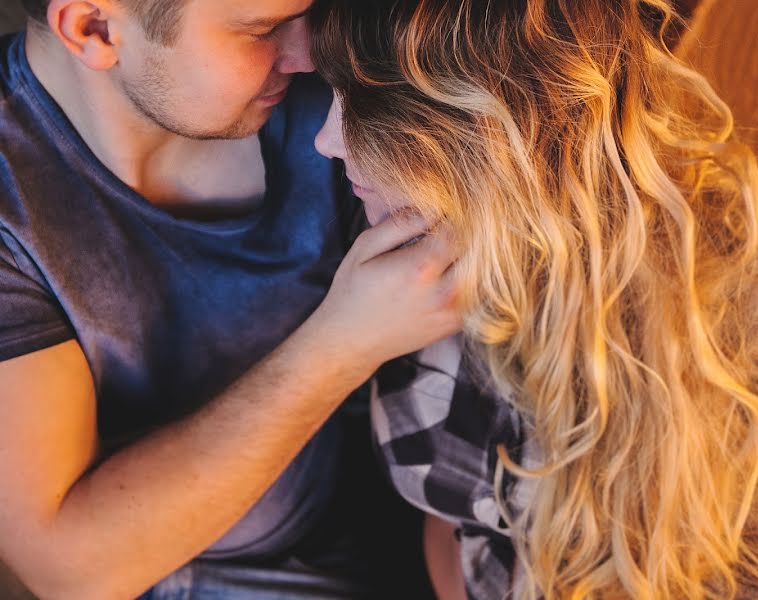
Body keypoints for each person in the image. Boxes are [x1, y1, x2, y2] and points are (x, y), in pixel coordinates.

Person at [310, 0, 758, 598]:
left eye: (364, 101)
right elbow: (454, 532)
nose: (325, 142)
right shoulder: (405, 288)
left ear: (493, 124)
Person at [0, 0, 460, 598]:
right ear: (95, 28)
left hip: (424, 524)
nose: (310, 53)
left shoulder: (331, 86)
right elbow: (73, 568)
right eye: (263, 30)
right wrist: (345, 341)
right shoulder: (16, 212)